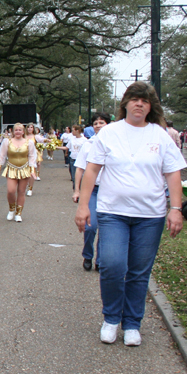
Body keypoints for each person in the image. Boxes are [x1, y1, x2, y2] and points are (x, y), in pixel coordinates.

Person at [75, 82, 186, 347]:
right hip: (113, 212)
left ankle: (133, 323)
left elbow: (173, 173)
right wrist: (83, 205)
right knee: (112, 265)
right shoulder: (109, 133)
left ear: (150, 107)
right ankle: (111, 318)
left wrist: (176, 209)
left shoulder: (160, 136)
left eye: (145, 101)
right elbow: (92, 170)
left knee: (138, 271)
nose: (139, 104)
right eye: (135, 99)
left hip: (150, 215)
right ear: (125, 103)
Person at [72, 113, 110, 271]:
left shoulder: (115, 143)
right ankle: (87, 254)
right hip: (93, 190)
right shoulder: (88, 144)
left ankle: (100, 260)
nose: (98, 125)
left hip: (109, 191)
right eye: (95, 123)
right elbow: (80, 168)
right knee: (90, 226)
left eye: (102, 122)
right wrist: (77, 190)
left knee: (106, 228)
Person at [0, 123, 37, 222]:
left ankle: (18, 213)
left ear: (23, 132)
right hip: (11, 168)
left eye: (20, 130)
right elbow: (2, 155)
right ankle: (11, 209)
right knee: (11, 191)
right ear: (13, 131)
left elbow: (32, 156)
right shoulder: (7, 141)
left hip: (24, 169)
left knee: (21, 191)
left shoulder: (29, 142)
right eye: (16, 130)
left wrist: (33, 170)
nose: (18, 132)